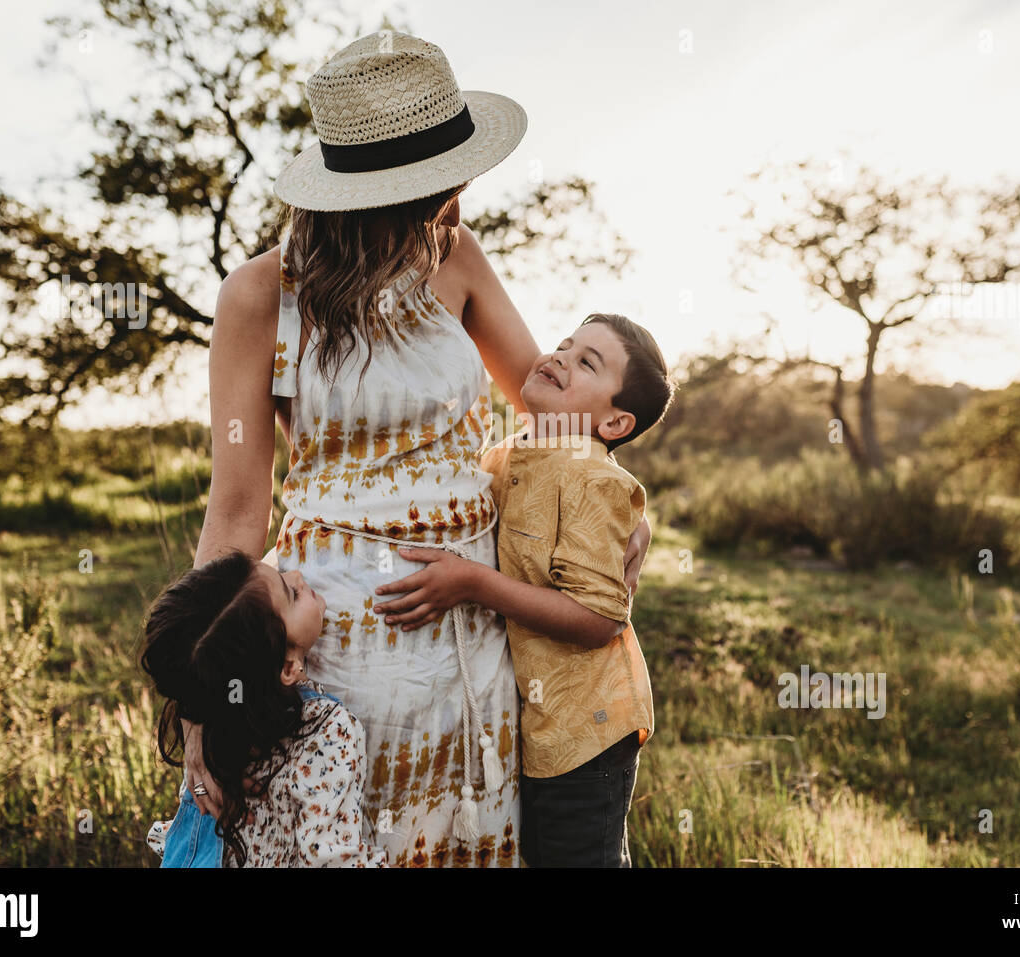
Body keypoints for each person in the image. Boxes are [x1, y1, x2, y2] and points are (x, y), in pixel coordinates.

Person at [183, 31, 654, 867]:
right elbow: (237, 509)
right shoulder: (259, 294)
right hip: (339, 632)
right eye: (443, 179)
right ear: (369, 187)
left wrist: (615, 499)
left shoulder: (456, 254)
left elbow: (553, 411)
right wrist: (202, 697)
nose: (464, 195)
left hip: (475, 621)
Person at [373, 313, 676, 866]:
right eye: (564, 344)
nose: (560, 356)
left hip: (588, 731)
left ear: (614, 424)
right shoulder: (509, 453)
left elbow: (598, 620)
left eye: (587, 362)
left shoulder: (595, 480)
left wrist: (473, 583)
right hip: (533, 723)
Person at [141, 550, 387, 867]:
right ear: (287, 667)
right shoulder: (330, 731)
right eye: (293, 594)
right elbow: (331, 858)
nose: (297, 575)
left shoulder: (214, 722)